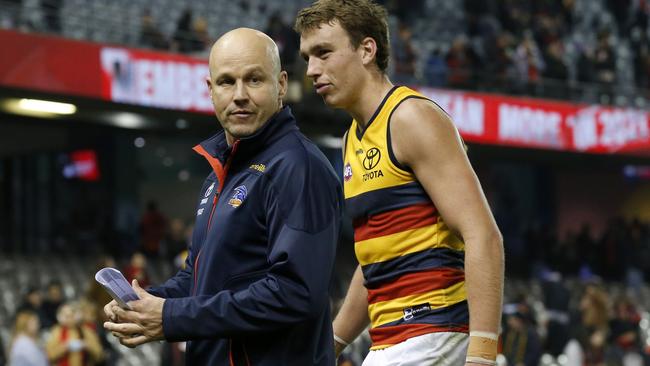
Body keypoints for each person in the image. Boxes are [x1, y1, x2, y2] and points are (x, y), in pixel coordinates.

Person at [103, 28, 342, 365]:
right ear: (211, 90)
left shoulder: (297, 167)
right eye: (227, 82)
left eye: (254, 80)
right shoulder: (221, 173)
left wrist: (172, 317)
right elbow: (198, 280)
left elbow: (294, 293)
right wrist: (146, 303)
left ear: (282, 85)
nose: (240, 95)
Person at [296, 1, 504, 365]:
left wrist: (483, 353)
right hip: (392, 342)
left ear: (366, 50)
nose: (312, 70)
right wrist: (329, 346)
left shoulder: (411, 117)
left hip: (435, 332)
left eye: (324, 53)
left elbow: (483, 235)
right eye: (308, 57)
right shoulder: (350, 141)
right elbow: (377, 262)